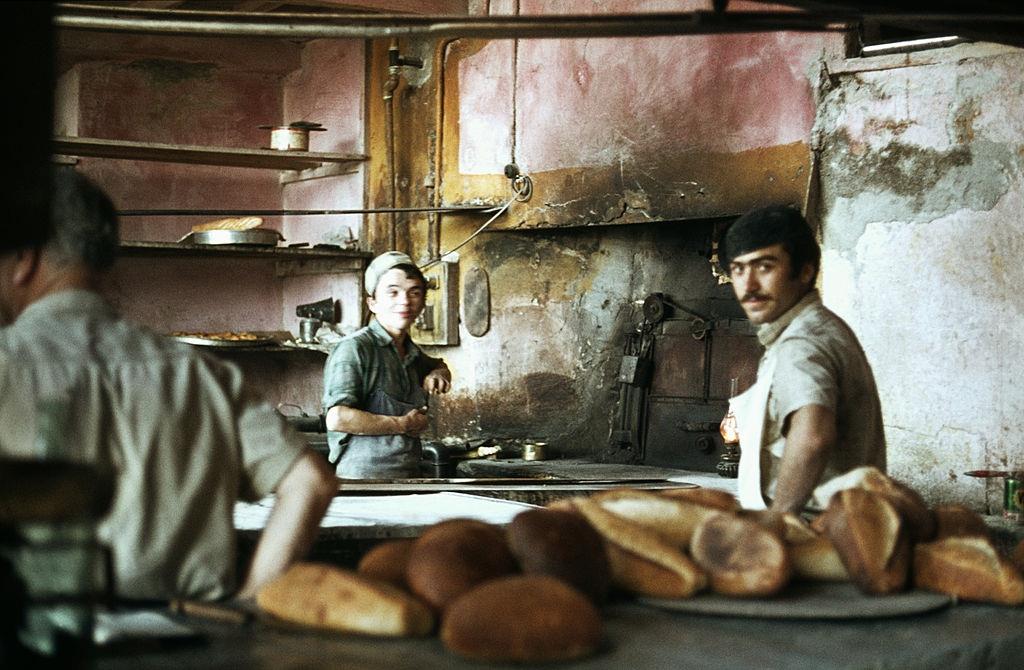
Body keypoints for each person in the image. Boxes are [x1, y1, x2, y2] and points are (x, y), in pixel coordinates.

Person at [0, 168, 336, 601]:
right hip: (189, 639)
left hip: (40, 643)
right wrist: (251, 602)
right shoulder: (198, 373)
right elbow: (311, 483)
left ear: (25, 258)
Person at [720, 205, 885, 514]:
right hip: (840, 523)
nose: (749, 286)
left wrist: (778, 520)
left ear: (805, 271)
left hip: (816, 528)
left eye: (764, 267)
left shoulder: (802, 341)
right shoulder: (815, 327)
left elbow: (813, 437)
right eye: (739, 269)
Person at [322, 251, 451, 478]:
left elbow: (437, 365)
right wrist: (402, 424)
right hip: (364, 480)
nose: (405, 301)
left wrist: (438, 373)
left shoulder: (409, 349)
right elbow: (337, 418)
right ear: (372, 302)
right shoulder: (355, 349)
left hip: (409, 475)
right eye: (392, 292)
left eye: (414, 292)